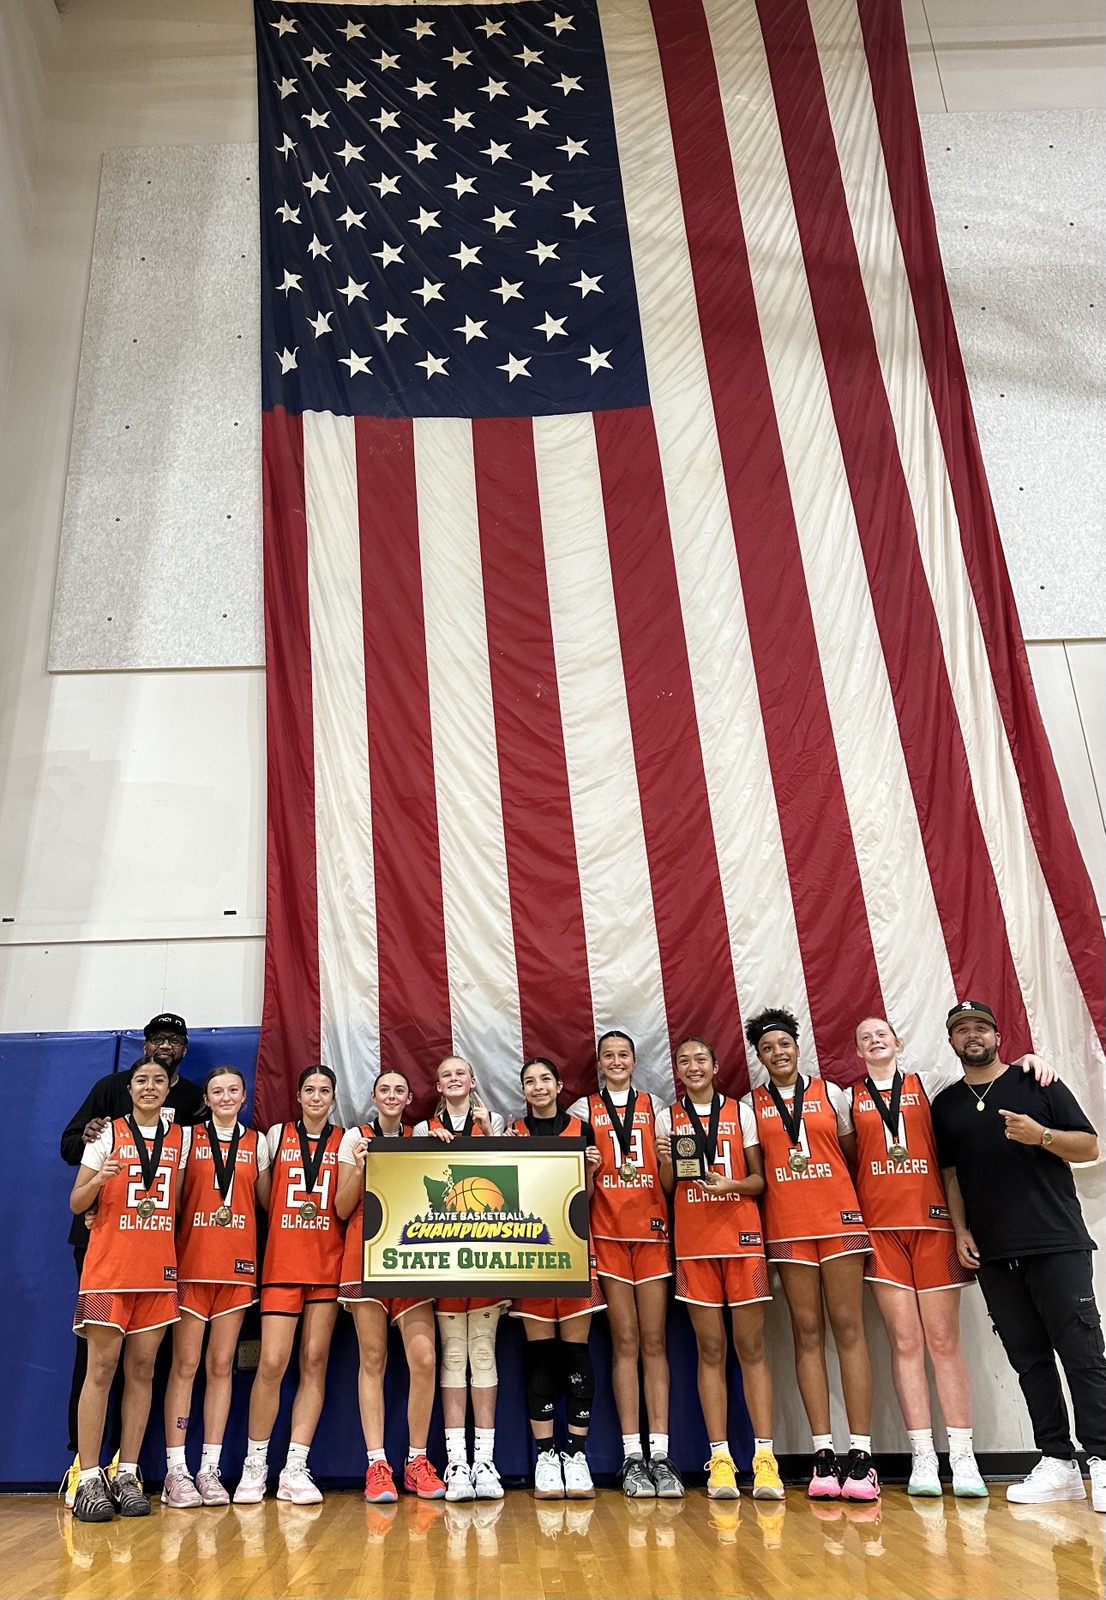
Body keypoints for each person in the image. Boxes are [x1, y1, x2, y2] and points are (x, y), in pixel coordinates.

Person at [851, 1015, 1058, 1498]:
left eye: (882, 1034)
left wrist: (1027, 1061)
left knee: (944, 1343)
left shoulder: (933, 1084)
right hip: (881, 1231)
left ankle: (963, 1458)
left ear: (898, 1041)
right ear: (858, 1051)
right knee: (905, 1344)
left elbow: (984, 1078)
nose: (875, 1040)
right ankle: (923, 1455)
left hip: (934, 1225)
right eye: (865, 1038)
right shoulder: (845, 1099)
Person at [931, 1000, 1106, 1512]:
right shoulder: (947, 1105)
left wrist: (1041, 1135)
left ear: (997, 1034)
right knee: (1029, 1360)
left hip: (1056, 1242)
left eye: (981, 1027)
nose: (972, 1035)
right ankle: (1058, 1461)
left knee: (1082, 1354)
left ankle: (1101, 1457)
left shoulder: (1037, 1082)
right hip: (994, 1252)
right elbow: (951, 1175)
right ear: (951, 1041)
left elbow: (1089, 1147)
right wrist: (960, 1229)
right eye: (962, 1030)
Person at [59, 1012, 205, 1491]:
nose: (151, 1084)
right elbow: (71, 1161)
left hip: (156, 1261)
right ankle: (84, 1469)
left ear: (182, 1053)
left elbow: (185, 1192)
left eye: (173, 1041)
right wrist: (95, 1192)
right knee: (96, 1364)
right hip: (104, 1253)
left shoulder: (187, 1118)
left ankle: (127, 1469)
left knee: (143, 1369)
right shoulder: (107, 1110)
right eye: (156, 1040)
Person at [744, 1007, 880, 1502]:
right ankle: (823, 1451)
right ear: (759, 1058)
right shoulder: (750, 1105)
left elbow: (852, 1154)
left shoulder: (832, 1093)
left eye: (784, 1044)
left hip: (838, 1219)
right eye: (767, 1048)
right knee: (807, 1333)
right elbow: (755, 1168)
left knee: (848, 1326)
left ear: (797, 1047)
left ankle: (861, 1453)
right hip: (788, 1227)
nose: (777, 1053)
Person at [655, 1037, 782, 1502]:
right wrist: (666, 1161)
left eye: (701, 1059)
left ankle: (765, 1458)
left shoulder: (740, 1112)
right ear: (677, 1070)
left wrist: (732, 1185)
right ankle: (721, 1459)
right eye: (684, 1061)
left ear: (714, 1066)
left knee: (751, 1347)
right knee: (710, 1349)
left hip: (742, 1240)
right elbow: (667, 1187)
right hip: (694, 1244)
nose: (693, 1067)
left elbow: (760, 1180)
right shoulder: (667, 1117)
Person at [568, 1031, 683, 1499]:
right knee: (626, 1341)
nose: (616, 1061)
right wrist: (588, 1167)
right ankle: (632, 1456)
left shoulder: (657, 1108)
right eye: (608, 1056)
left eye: (623, 1055)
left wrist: (667, 1161)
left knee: (654, 1342)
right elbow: (576, 1186)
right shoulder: (582, 1110)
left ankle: (661, 1454)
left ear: (635, 1061)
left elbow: (671, 1184)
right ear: (599, 1063)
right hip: (609, 1234)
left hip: (652, 1232)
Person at [233, 1065, 344, 1506]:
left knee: (314, 1361)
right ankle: (254, 1464)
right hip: (282, 1264)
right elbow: (263, 1198)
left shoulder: (346, 1140)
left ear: (333, 1098)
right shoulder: (275, 1137)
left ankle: (295, 1467)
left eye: (324, 1090)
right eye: (309, 1089)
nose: (316, 1097)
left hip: (327, 1265)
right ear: (297, 1096)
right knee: (272, 1363)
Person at [161, 1066, 271, 1507]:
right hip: (193, 1267)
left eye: (233, 1090)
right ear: (206, 1099)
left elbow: (268, 1203)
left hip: (237, 1270)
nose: (226, 1097)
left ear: (244, 1097)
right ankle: (176, 1471)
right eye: (217, 1091)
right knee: (185, 1365)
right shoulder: (187, 1138)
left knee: (222, 1366)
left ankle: (209, 1468)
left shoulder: (257, 1142)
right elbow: (172, 1198)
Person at [336, 1068, 445, 1504]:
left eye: (400, 1089)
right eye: (385, 1089)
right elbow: (342, 1207)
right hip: (365, 1249)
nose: (393, 1095)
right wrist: (361, 1168)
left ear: (410, 1098)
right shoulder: (354, 1138)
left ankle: (417, 1461)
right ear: (373, 1096)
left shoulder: (422, 1135)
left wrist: (442, 1151)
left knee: (424, 1359)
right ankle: (377, 1464)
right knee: (373, 1357)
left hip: (410, 1249)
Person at [508, 1057, 602, 1500]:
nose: (538, 1086)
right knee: (542, 1356)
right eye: (530, 1081)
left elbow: (586, 1193)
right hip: (531, 1251)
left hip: (574, 1248)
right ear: (523, 1090)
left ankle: (577, 1455)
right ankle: (546, 1456)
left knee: (576, 1354)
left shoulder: (582, 1130)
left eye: (545, 1079)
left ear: (560, 1085)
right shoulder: (514, 1133)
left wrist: (591, 1169)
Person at [414, 1056, 507, 1503]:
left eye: (460, 1073)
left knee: (483, 1352)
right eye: (445, 1074)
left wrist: (489, 1135)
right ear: (437, 1086)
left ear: (473, 1081)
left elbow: (511, 1181)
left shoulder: (496, 1121)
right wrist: (428, 1151)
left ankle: (484, 1461)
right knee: (453, 1354)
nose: (454, 1079)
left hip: (488, 1251)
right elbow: (415, 1188)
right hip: (443, 1253)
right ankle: (456, 1462)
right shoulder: (421, 1130)